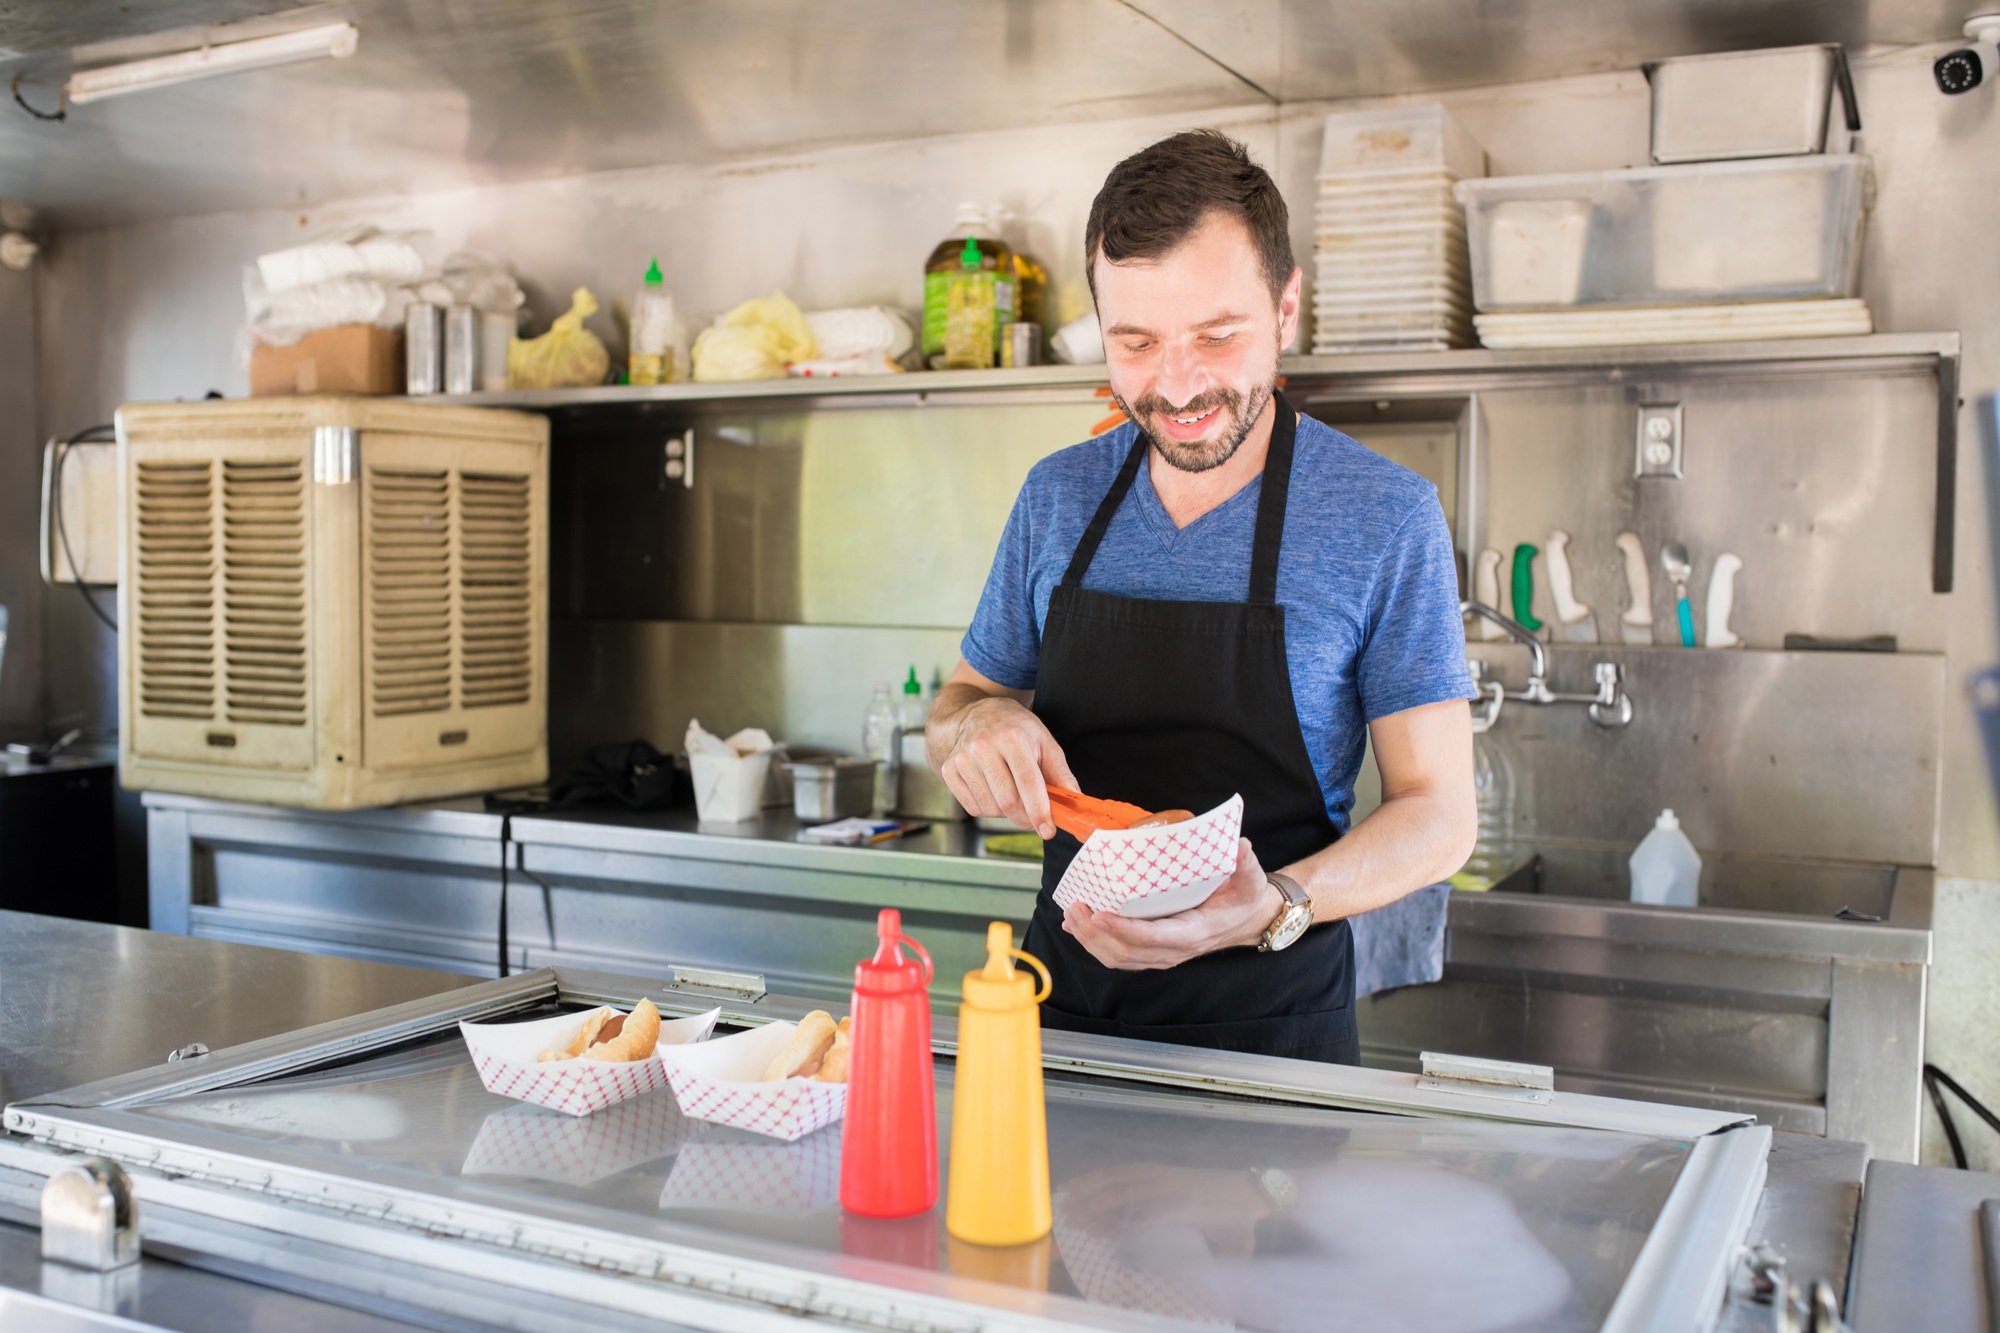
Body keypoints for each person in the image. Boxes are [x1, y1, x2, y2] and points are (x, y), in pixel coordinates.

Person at [925, 129, 1476, 1064]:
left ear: (1287, 305)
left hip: (1273, 1032)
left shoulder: (1384, 515)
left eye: (1216, 336)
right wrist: (974, 730)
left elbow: (1438, 813)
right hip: (1063, 1026)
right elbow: (957, 706)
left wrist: (1277, 903)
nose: (1176, 388)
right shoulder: (1057, 497)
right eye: (1135, 343)